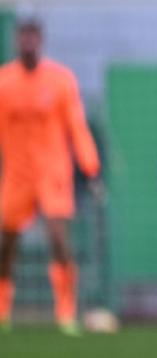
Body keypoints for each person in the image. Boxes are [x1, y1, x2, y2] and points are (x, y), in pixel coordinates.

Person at [0, 18, 102, 336]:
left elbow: (76, 127)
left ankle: (66, 311)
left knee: (58, 237)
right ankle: (2, 309)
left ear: (41, 41)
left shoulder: (60, 81)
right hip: (17, 173)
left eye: (33, 37)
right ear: (17, 41)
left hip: (52, 171)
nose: (28, 43)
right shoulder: (4, 82)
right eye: (23, 37)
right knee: (6, 244)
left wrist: (90, 168)